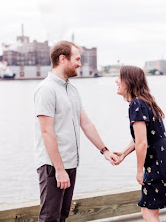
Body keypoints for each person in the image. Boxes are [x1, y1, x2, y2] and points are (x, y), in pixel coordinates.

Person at [33, 40, 119, 222]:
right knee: (50, 218)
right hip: (53, 166)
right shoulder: (46, 90)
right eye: (77, 59)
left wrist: (105, 150)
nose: (80, 64)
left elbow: (85, 123)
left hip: (70, 164)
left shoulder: (71, 90)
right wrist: (59, 169)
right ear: (62, 59)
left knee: (62, 216)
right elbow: (46, 132)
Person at [113, 66, 166, 222]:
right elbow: (142, 137)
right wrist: (123, 153)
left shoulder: (136, 104)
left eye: (119, 77)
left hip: (160, 160)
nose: (116, 80)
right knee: (150, 209)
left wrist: (138, 171)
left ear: (129, 81)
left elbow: (142, 143)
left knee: (149, 211)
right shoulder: (145, 101)